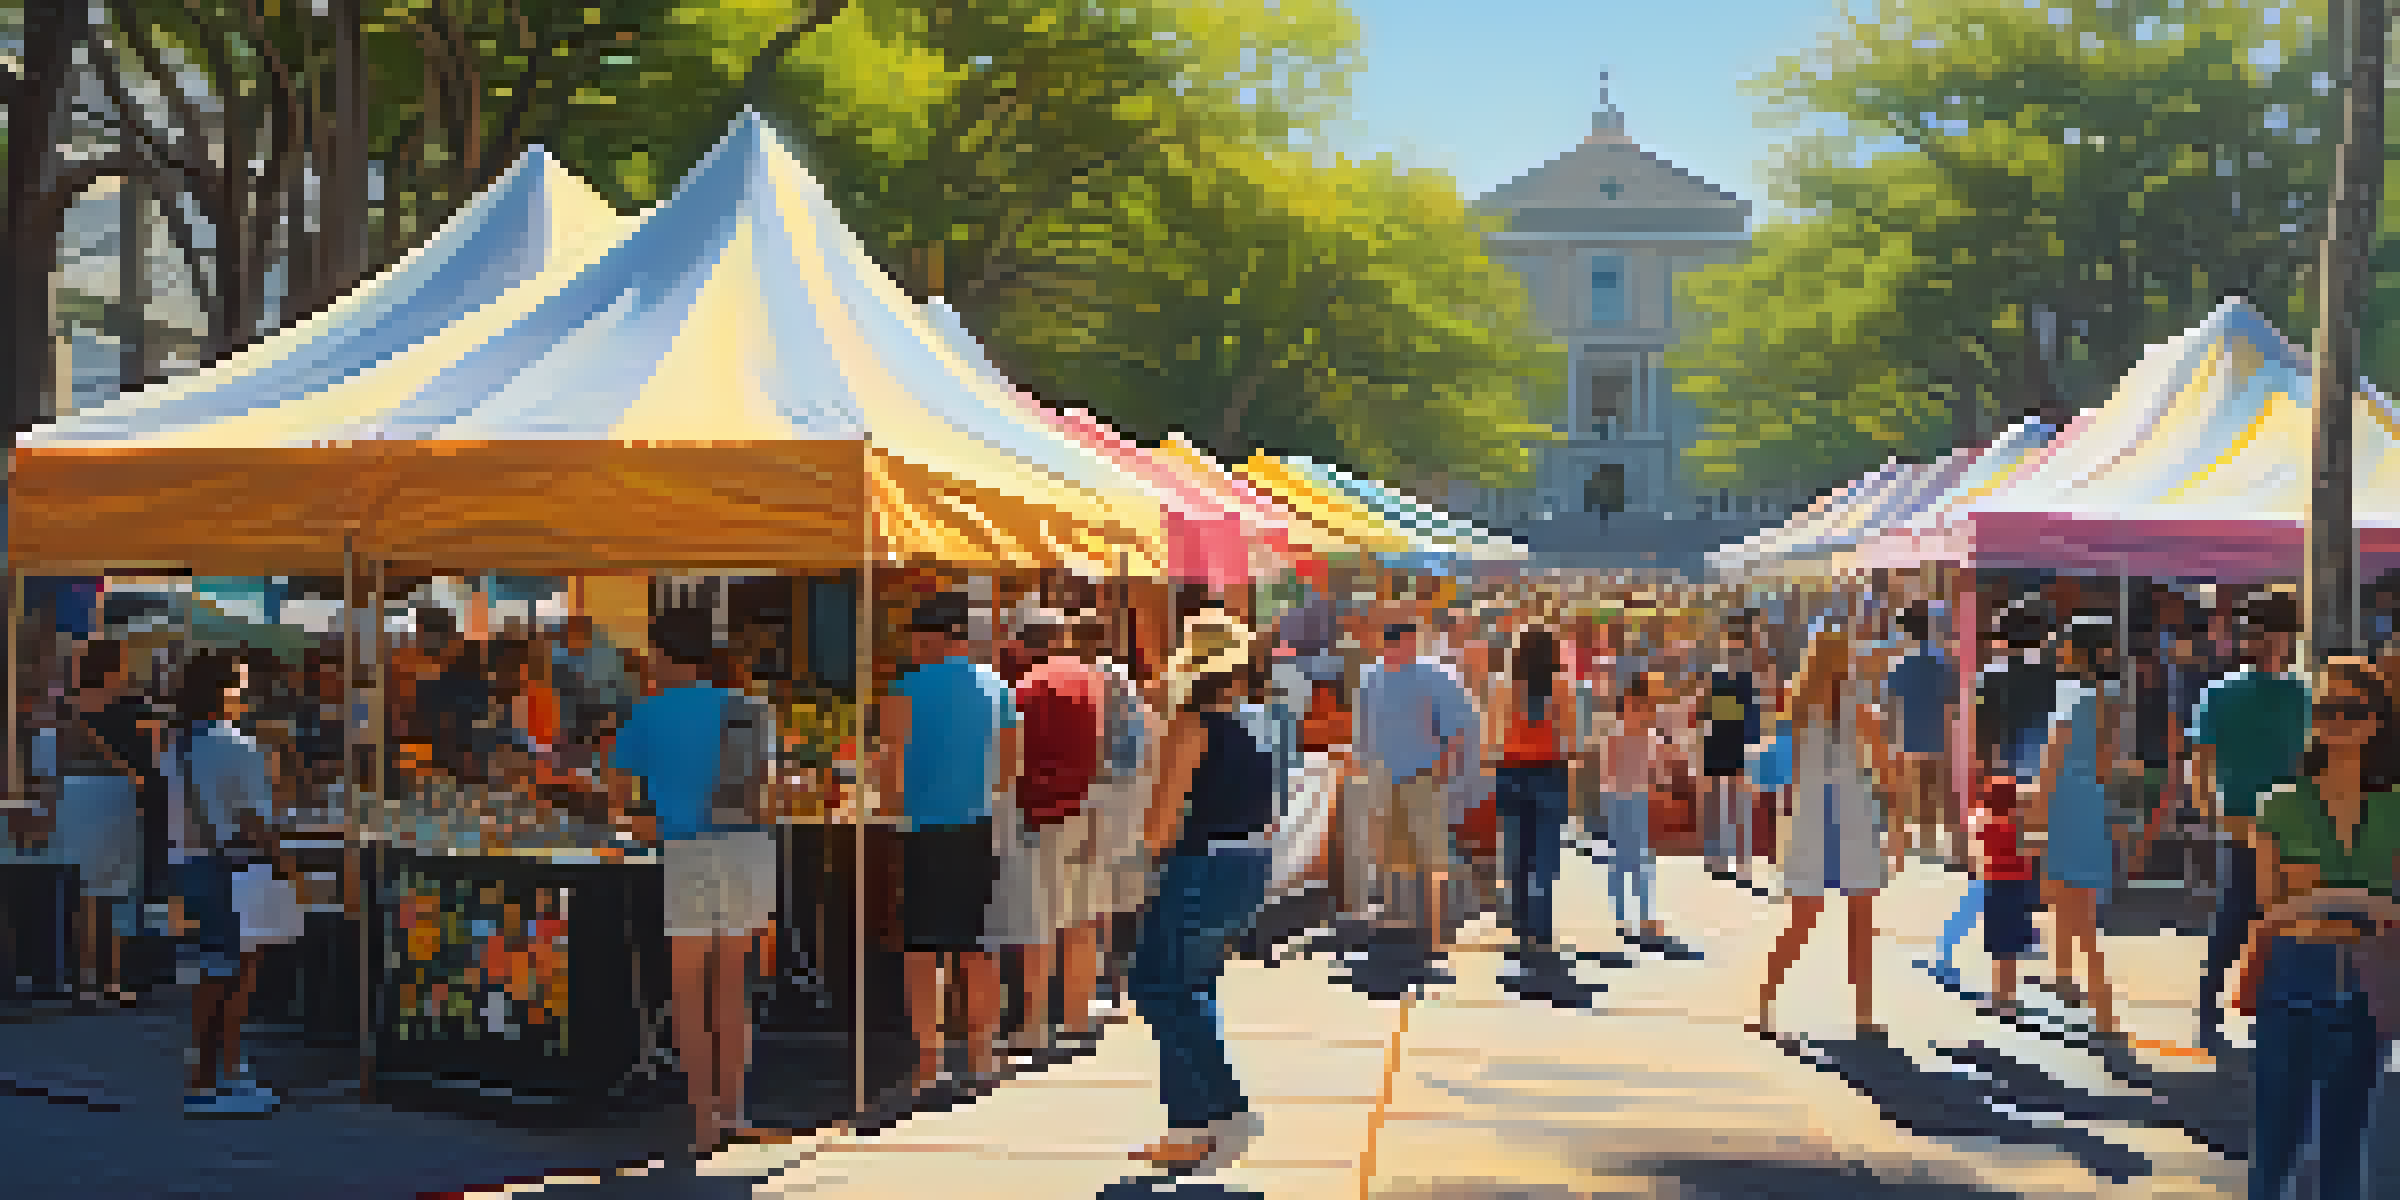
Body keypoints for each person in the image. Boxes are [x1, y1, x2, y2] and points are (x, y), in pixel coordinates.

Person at [608, 609, 781, 1154]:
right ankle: (732, 1111)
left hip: (685, 853)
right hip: (745, 849)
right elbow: (764, 795)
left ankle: (702, 1119)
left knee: (688, 991)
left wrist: (656, 822)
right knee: (733, 990)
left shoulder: (647, 716)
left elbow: (618, 804)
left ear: (661, 655)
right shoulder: (749, 711)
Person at [2235, 658, 2400, 1200]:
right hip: (2293, 973)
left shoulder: (2394, 809)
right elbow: (2271, 905)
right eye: (2326, 710)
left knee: (2344, 1149)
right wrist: (2362, 901)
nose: (2335, 722)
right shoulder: (2281, 804)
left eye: (2350, 711)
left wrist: (2322, 900)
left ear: (2376, 721)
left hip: (2365, 976)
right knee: (2275, 1147)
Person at [1127, 611, 1276, 1172]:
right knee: (1189, 987)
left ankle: (1193, 1123)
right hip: (1246, 867)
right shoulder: (1252, 725)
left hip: (1202, 867)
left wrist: (1137, 855)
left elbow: (1160, 826)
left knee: (1155, 985)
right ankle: (1222, 1107)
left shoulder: (1189, 727)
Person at [876, 596, 1017, 1099]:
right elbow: (1007, 770)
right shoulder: (997, 688)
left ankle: (928, 1061)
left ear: (929, 638)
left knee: (922, 951)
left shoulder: (904, 689)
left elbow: (889, 767)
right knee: (978, 948)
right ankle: (981, 1055)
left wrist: (894, 807)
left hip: (922, 829)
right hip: (978, 827)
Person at [167, 651, 295, 1117]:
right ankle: (212, 1081)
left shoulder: (177, 744)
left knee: (213, 973)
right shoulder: (238, 746)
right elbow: (253, 821)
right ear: (222, 691)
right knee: (232, 976)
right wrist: (287, 866)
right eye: (240, 684)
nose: (245, 694)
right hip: (231, 866)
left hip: (188, 864)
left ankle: (221, 1073)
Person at [1753, 626, 1892, 1040]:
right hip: (1851, 816)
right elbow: (1886, 770)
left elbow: (1790, 779)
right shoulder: (1861, 711)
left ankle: (1764, 1004)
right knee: (1860, 922)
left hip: (1812, 818)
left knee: (1802, 920)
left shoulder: (1796, 714)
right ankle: (1863, 1014)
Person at [2191, 593, 2310, 1056]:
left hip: (2265, 822)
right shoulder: (2292, 695)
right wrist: (2214, 814)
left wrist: (2211, 814)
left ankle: (2239, 1015)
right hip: (2260, 823)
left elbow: (2199, 764)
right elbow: (2200, 763)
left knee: (2249, 920)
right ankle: (2224, 1014)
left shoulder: (2291, 694)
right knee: (2251, 919)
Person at [991, 608, 1106, 1058]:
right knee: (1079, 917)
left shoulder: (1025, 688)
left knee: (1035, 922)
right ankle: (1076, 1016)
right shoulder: (1092, 680)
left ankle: (1034, 1024)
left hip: (1040, 812)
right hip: (1088, 809)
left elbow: (1011, 756)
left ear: (1021, 642)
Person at [1928, 604, 2053, 991]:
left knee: (1996, 873)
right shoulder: (2056, 678)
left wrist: (1971, 788)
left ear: (2002, 638)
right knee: (2027, 870)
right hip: (2045, 783)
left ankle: (1954, 951)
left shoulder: (1989, 679)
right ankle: (2020, 946)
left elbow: (1979, 739)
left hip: (2003, 786)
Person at [35, 639, 157, 1007]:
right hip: (116, 800)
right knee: (111, 897)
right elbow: (148, 760)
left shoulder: (63, 707)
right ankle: (110, 981)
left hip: (72, 798)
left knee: (80, 894)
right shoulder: (136, 708)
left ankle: (82, 981)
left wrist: (47, 807)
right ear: (116, 668)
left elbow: (48, 758)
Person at [1353, 622, 1478, 956]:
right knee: (1392, 856)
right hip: (1384, 778)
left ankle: (1437, 932)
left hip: (1423, 777)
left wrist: (1445, 775)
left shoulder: (1435, 676)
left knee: (1432, 856)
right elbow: (1364, 728)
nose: (1402, 648)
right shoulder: (1371, 677)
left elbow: (1456, 731)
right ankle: (1399, 924)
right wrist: (1364, 769)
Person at [2029, 617, 2125, 1038]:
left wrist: (2035, 812)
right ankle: (2067, 979)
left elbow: (2051, 758)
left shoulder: (2068, 694)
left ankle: (2101, 1008)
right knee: (2074, 901)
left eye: (2064, 642)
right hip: (2091, 803)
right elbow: (2108, 764)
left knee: (2069, 903)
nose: (2058, 648)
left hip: (2065, 801)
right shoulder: (2111, 698)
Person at [1490, 627, 1575, 961]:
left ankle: (1522, 928)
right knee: (1544, 858)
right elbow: (1569, 738)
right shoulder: (1562, 690)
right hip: (1549, 773)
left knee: (1516, 856)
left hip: (1511, 771)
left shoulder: (1504, 688)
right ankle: (1540, 931)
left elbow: (1494, 733)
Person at [1885, 604, 1959, 870]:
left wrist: (1891, 737)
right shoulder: (1942, 660)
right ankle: (1946, 845)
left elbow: (1891, 702)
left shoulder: (1902, 662)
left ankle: (1919, 845)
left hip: (1910, 734)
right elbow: (1953, 699)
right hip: (1939, 733)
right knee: (1943, 791)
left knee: (1915, 794)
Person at [1969, 771, 2040, 1020]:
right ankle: (2006, 995)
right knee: (2009, 948)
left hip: (1997, 888)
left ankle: (2002, 998)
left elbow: (1975, 846)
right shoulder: (2020, 825)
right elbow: (2031, 852)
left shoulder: (1990, 824)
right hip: (2018, 889)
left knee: (2000, 949)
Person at [1604, 673, 1668, 942]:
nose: (1645, 711)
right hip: (1619, 800)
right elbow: (1607, 773)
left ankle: (1644, 917)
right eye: (1642, 704)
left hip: (1637, 799)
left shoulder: (1650, 736)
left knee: (1641, 860)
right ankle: (1622, 918)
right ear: (1629, 703)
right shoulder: (1616, 734)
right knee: (1622, 859)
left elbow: (1659, 772)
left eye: (1649, 706)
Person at [1701, 620, 1764, 885]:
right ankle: (1722, 860)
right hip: (1724, 741)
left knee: (1735, 805)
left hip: (1732, 742)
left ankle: (1737, 863)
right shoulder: (1727, 674)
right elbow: (1714, 711)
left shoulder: (1739, 675)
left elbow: (1746, 715)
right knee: (1723, 804)